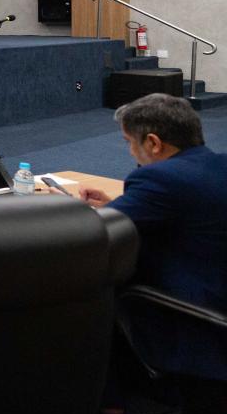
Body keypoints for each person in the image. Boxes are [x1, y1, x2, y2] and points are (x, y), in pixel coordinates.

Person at [79, 93, 227, 379]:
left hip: (197, 320)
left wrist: (66, 209)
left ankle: (111, 398)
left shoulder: (161, 179)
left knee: (89, 280)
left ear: (153, 143)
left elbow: (95, 231)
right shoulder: (218, 164)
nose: (131, 151)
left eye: (129, 142)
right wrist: (117, 202)